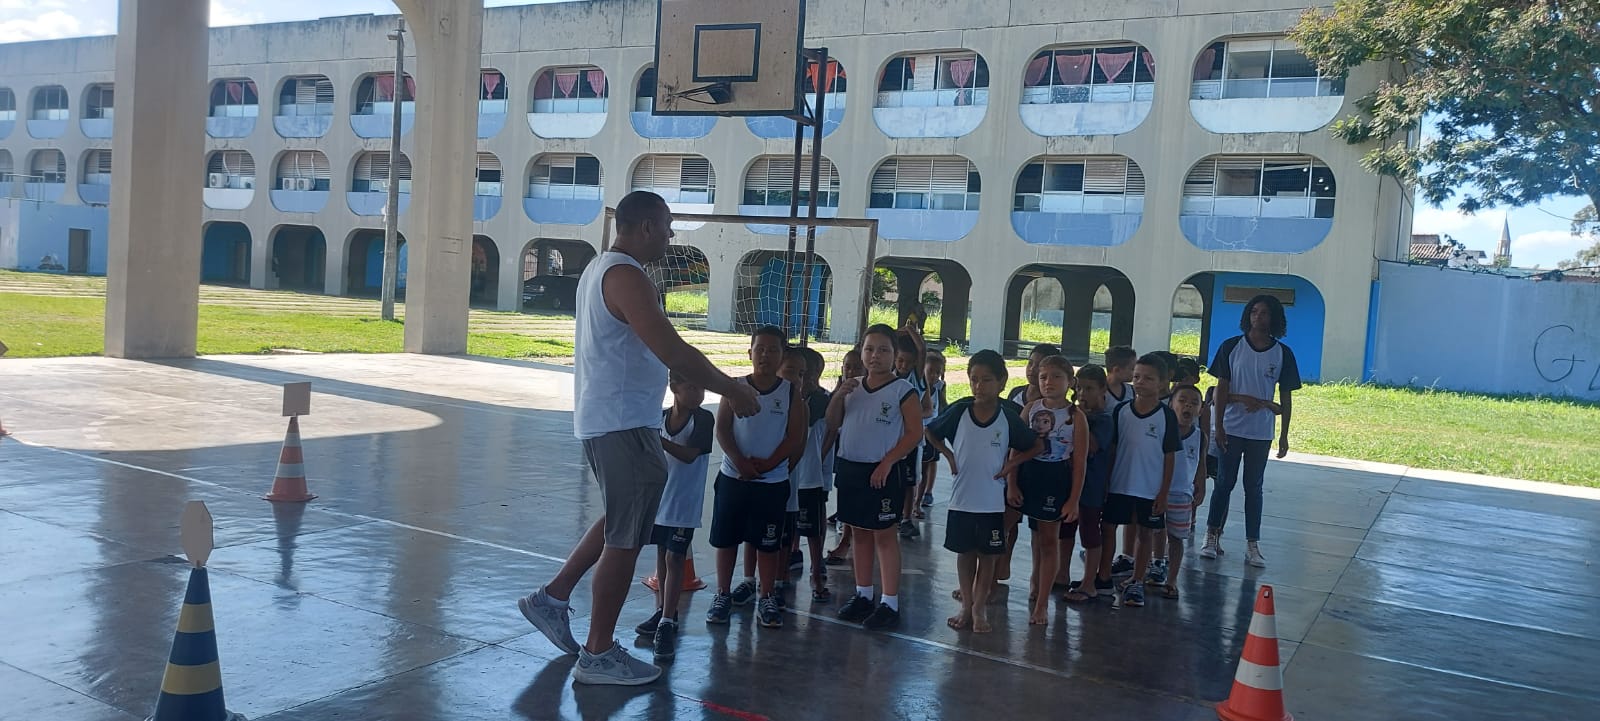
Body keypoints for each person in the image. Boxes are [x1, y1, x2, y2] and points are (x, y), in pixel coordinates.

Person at [519, 190, 759, 686]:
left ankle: (553, 597)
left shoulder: (599, 268)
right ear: (646, 226)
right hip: (622, 424)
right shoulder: (625, 275)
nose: (670, 237)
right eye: (667, 228)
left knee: (621, 520)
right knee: (626, 540)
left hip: (617, 420)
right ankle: (598, 654)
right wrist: (733, 389)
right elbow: (674, 350)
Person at [926, 350, 1040, 633]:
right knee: (965, 554)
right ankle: (966, 606)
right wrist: (948, 455)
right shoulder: (960, 411)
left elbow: (1036, 445)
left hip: (992, 502)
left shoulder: (1008, 417)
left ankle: (979, 608)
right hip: (962, 500)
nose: (979, 386)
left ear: (1001, 382)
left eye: (987, 380)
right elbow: (930, 431)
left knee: (988, 556)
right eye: (974, 379)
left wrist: (1011, 465)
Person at [706, 326, 807, 629]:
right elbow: (722, 429)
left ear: (782, 355)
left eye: (773, 350)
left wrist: (768, 465)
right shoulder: (734, 387)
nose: (765, 355)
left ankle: (766, 596)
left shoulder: (790, 393)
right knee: (726, 539)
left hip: (771, 482)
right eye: (760, 349)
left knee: (768, 543)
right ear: (749, 352)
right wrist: (740, 462)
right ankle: (723, 593)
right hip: (733, 478)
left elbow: (794, 436)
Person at [827, 324, 924, 630]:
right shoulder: (852, 386)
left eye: (883, 350)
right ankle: (863, 594)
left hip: (882, 472)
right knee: (859, 532)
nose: (875, 356)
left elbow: (914, 433)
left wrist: (887, 462)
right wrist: (838, 396)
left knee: (884, 535)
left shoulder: (902, 390)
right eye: (869, 349)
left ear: (895, 355)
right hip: (850, 468)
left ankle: (890, 603)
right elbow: (832, 423)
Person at [1202, 294, 1300, 568]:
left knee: (1253, 487)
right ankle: (1211, 536)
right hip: (1232, 427)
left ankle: (1252, 544)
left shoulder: (1283, 353)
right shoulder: (1231, 347)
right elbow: (1221, 389)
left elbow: (1286, 397)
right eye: (1254, 311)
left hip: (1260, 432)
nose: (1258, 316)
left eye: (1264, 312)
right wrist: (1219, 426)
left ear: (1274, 318)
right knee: (1224, 482)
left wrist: (1284, 434)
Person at [634, 372, 714, 662]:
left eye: (701, 388)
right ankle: (663, 611)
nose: (697, 393)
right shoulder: (660, 418)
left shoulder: (703, 419)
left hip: (684, 504)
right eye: (691, 386)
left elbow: (690, 455)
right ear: (674, 387)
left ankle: (668, 621)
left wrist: (657, 440)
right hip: (660, 501)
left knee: (675, 558)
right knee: (661, 554)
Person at [1012, 355, 1086, 625]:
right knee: (1009, 529)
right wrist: (1011, 483)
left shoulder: (1075, 417)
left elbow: (1079, 462)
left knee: (1048, 540)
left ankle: (1042, 603)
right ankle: (991, 583)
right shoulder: (1030, 408)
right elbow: (1016, 448)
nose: (1048, 382)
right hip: (1027, 473)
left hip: (1055, 477)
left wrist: (1074, 500)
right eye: (1043, 377)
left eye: (1056, 377)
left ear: (1070, 382)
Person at [1103, 353, 1180, 609]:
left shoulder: (1167, 416)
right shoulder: (1121, 411)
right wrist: (1107, 482)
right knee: (1109, 527)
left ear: (1162, 383)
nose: (1140, 382)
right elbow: (1113, 449)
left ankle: (1137, 580)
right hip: (1120, 484)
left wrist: (1163, 492)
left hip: (1149, 488)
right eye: (1136, 377)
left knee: (1146, 532)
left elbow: (1169, 456)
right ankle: (1103, 574)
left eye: (1148, 378)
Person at [781, 346, 834, 602]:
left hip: (810, 476)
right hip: (786, 474)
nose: (803, 379)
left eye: (806, 374)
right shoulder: (783, 398)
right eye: (793, 372)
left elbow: (819, 428)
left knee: (812, 526)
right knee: (786, 524)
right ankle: (783, 571)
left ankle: (816, 570)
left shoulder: (819, 400)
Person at [1061, 364, 1116, 603]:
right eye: (1080, 388)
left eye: (1089, 389)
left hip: (1092, 486)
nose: (1082, 394)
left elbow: (1092, 446)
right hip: (1069, 483)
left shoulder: (1104, 420)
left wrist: (1079, 417)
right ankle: (1061, 573)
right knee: (1065, 531)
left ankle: (1089, 582)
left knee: (1090, 533)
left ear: (1103, 389)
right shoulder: (1072, 414)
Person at [1149, 384, 1206, 600]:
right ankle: (1153, 566)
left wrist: (1201, 486)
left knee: (1176, 537)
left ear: (1200, 410)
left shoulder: (1200, 437)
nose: (1187, 406)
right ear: (1171, 404)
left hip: (1182, 495)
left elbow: (1201, 464)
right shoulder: (1161, 431)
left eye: (1194, 403)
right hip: (1156, 490)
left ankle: (1172, 580)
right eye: (1182, 401)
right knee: (1151, 531)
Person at [825, 349, 866, 565]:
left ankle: (852, 541)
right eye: (847, 366)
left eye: (856, 367)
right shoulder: (841, 391)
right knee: (847, 498)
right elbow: (832, 423)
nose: (850, 371)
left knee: (863, 505)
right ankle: (845, 539)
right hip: (847, 454)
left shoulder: (872, 391)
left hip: (868, 457)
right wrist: (839, 395)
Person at [894, 328, 930, 539]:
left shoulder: (917, 377)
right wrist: (894, 336)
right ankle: (894, 514)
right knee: (892, 478)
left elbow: (922, 350)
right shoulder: (889, 376)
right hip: (891, 438)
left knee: (909, 481)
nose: (903, 365)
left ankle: (906, 518)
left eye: (908, 362)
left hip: (912, 441)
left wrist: (908, 330)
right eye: (900, 360)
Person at [915, 350, 949, 516]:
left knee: (928, 465)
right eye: (931, 371)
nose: (934, 375)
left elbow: (942, 406)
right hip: (918, 433)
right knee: (917, 470)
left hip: (933, 432)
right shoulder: (918, 387)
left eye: (937, 372)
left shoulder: (939, 387)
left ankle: (921, 498)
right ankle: (912, 502)